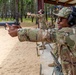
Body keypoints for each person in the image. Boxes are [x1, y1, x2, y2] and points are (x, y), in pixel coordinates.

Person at [6, 7, 76, 75]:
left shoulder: (70, 33)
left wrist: (19, 32)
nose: (58, 21)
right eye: (58, 18)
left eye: (62, 19)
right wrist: (21, 29)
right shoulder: (68, 32)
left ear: (71, 20)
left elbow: (45, 34)